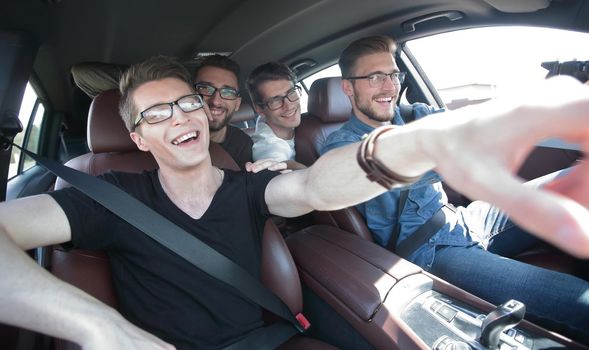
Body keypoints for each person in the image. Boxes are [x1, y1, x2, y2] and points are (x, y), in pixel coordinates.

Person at [1, 55, 589, 349]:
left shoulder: (250, 184)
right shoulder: (106, 199)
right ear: (138, 137)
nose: (179, 117)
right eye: (156, 114)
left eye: (186, 104)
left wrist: (417, 143)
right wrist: (102, 329)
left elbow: (314, 186)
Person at [320, 35, 589, 342]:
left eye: (393, 74)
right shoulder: (341, 148)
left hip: (462, 220)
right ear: (347, 87)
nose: (389, 86)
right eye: (374, 77)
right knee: (580, 299)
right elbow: (384, 167)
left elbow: (463, 123)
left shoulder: (411, 114)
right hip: (428, 250)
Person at [193, 54, 253, 170]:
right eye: (205, 88)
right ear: (191, 94)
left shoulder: (243, 144)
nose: (216, 101)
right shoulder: (173, 139)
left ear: (237, 103)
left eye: (228, 92)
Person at [246, 62, 306, 170]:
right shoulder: (267, 144)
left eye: (291, 92)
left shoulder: (308, 124)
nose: (288, 106)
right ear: (260, 109)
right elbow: (276, 163)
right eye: (276, 100)